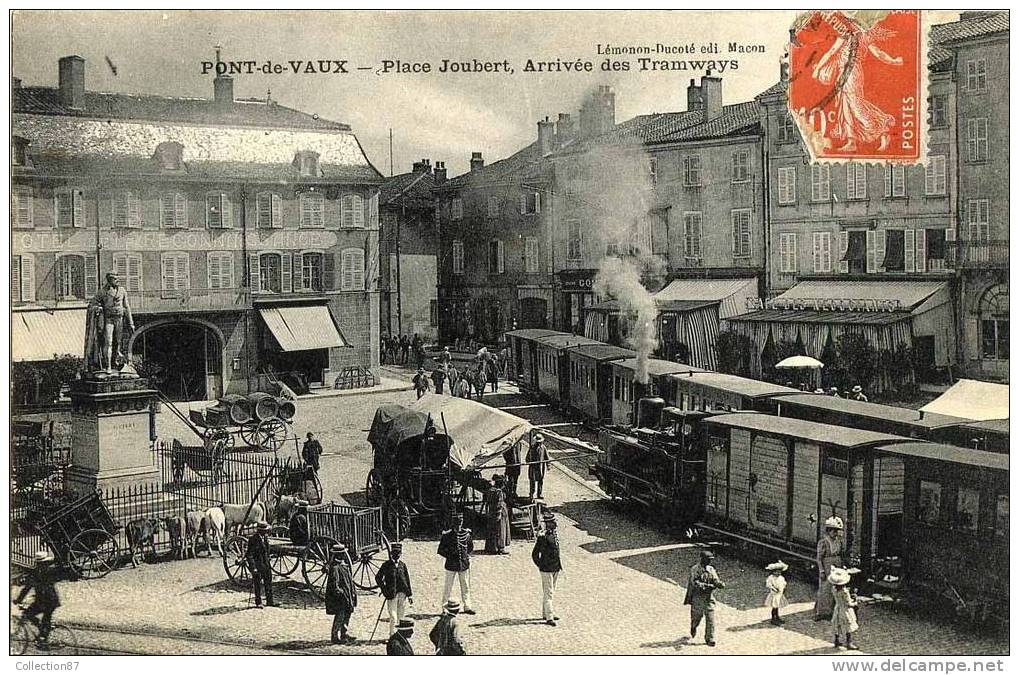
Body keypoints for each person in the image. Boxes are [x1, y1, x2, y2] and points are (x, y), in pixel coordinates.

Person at [86, 272, 135, 373]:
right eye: (115, 279)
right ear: (109, 280)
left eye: (118, 278)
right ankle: (108, 366)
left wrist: (131, 322)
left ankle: (114, 363)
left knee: (118, 343)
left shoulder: (122, 291)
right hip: (108, 319)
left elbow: (127, 307)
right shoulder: (102, 292)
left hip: (119, 319)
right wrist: (98, 308)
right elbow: (92, 304)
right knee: (108, 342)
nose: (118, 280)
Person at [15, 550, 61, 648]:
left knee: (32, 615)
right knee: (39, 616)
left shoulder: (36, 573)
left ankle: (44, 638)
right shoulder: (49, 571)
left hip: (46, 601)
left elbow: (27, 588)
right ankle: (43, 633)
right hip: (48, 600)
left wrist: (19, 600)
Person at [684, 549, 725, 646]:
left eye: (711, 559)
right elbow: (695, 583)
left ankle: (710, 638)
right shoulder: (695, 569)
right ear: (702, 559)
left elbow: (715, 579)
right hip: (698, 598)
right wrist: (707, 586)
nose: (710, 561)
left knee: (710, 618)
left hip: (709, 598)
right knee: (696, 617)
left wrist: (719, 584)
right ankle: (693, 627)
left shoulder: (710, 569)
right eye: (708, 559)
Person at [437, 513, 475, 614]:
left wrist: (465, 556)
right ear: (453, 524)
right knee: (448, 586)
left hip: (463, 564)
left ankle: (467, 606)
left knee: (465, 585)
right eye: (457, 523)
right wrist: (450, 555)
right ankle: (444, 607)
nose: (459, 525)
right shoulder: (447, 535)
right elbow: (440, 550)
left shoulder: (466, 534)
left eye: (460, 523)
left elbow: (470, 547)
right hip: (451, 564)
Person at [531, 512, 563, 626]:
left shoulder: (554, 535)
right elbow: (535, 554)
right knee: (549, 593)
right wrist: (541, 565)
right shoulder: (543, 537)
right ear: (548, 524)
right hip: (546, 569)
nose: (555, 524)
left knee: (550, 591)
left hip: (555, 567)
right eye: (552, 522)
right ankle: (549, 617)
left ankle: (545, 613)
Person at [375, 542, 413, 637]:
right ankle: (392, 636)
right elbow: (378, 577)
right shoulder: (386, 565)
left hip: (402, 594)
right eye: (395, 553)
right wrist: (384, 590)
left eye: (399, 553)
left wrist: (410, 595)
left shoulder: (402, 565)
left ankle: (400, 636)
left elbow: (407, 580)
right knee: (393, 616)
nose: (397, 555)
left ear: (401, 553)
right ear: (391, 554)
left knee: (401, 616)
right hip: (391, 594)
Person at [325, 543, 357, 644]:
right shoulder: (335, 568)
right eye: (342, 554)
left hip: (348, 595)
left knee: (347, 615)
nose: (344, 555)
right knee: (340, 616)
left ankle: (344, 634)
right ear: (338, 555)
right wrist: (341, 594)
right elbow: (335, 585)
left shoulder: (344, 566)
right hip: (340, 598)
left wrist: (353, 592)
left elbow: (350, 581)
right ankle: (335, 636)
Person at [815, 516, 845, 620]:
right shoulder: (823, 542)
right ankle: (821, 612)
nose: (836, 533)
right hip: (827, 566)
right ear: (829, 531)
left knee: (834, 589)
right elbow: (819, 558)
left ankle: (831, 611)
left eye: (837, 531)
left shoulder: (838, 541)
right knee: (824, 589)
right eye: (834, 531)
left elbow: (841, 553)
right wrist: (821, 570)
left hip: (837, 565)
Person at [828, 567, 859, 650]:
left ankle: (836, 641)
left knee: (837, 624)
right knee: (848, 626)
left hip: (837, 608)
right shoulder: (845, 592)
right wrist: (855, 602)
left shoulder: (833, 589)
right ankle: (849, 643)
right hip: (845, 610)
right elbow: (848, 603)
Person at [246, 521, 275, 608]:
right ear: (260, 530)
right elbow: (249, 555)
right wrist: (253, 567)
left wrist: (269, 558)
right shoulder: (253, 539)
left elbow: (267, 550)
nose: (266, 532)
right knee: (257, 584)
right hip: (258, 566)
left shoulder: (265, 538)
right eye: (265, 530)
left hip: (266, 564)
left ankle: (270, 601)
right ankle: (258, 602)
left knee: (268, 582)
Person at [483, 476, 511, 555]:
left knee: (492, 529)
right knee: (500, 530)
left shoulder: (490, 490)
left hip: (491, 511)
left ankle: (491, 547)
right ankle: (500, 548)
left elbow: (487, 502)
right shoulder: (499, 492)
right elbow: (499, 504)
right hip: (500, 513)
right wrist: (498, 514)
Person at [764, 560, 789, 625]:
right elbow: (769, 584)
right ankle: (773, 619)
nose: (778, 573)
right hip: (774, 594)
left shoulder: (781, 578)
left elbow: (783, 584)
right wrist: (774, 588)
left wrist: (783, 588)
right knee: (774, 607)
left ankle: (777, 617)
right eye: (776, 572)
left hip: (779, 594)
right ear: (773, 572)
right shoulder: (771, 578)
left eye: (779, 572)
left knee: (777, 606)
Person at [526, 434, 550, 500]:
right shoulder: (532, 448)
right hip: (533, 468)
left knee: (540, 481)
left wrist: (548, 465)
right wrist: (529, 461)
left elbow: (547, 457)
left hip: (540, 468)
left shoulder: (543, 448)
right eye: (538, 442)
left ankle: (539, 494)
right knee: (532, 481)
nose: (539, 443)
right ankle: (531, 494)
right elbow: (527, 458)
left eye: (540, 442)